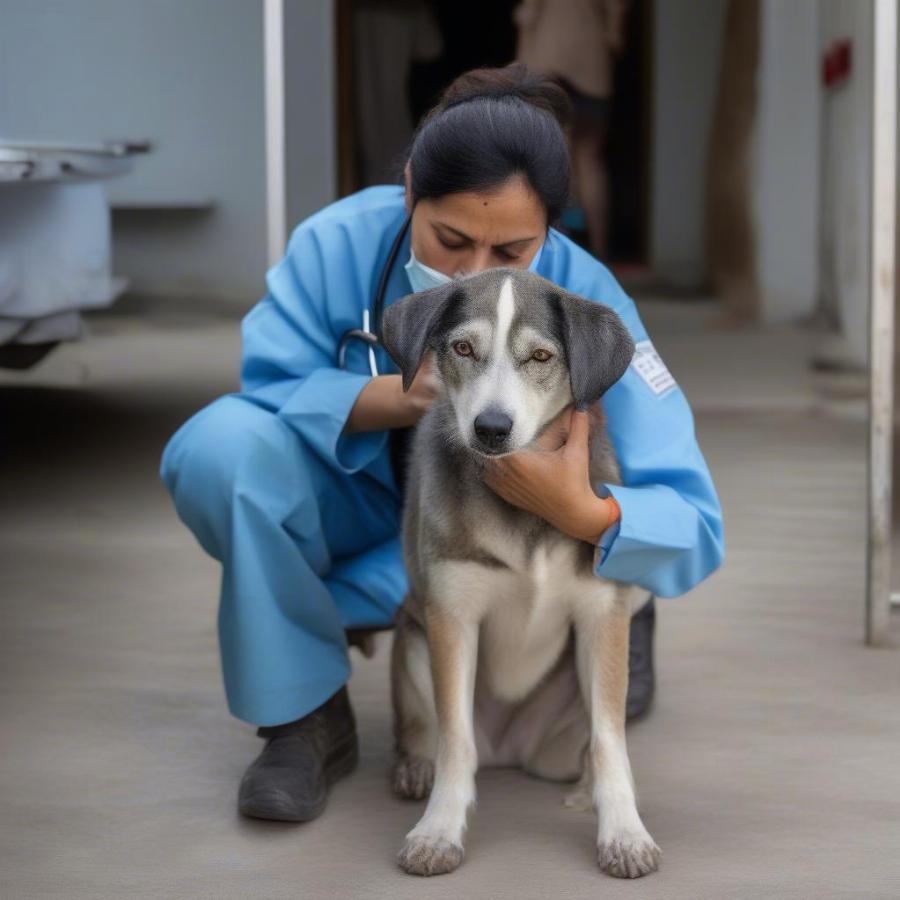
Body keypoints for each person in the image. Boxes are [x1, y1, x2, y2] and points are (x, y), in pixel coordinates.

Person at [160, 62, 724, 824]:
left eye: (512, 251)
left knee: (621, 550)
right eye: (451, 238)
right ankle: (303, 716)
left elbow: (692, 515)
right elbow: (265, 397)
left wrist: (589, 519)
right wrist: (394, 397)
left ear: (552, 231)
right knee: (218, 450)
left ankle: (609, 608)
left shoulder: (588, 302)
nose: (473, 274)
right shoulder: (334, 244)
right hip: (373, 536)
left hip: (523, 555)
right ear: (409, 189)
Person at [514, 0, 631, 258]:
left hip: (548, 65)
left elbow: (529, 13)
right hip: (593, 70)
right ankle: (600, 250)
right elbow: (616, 17)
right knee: (590, 158)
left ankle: (560, 247)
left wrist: (518, 74)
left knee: (555, 154)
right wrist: (612, 32)